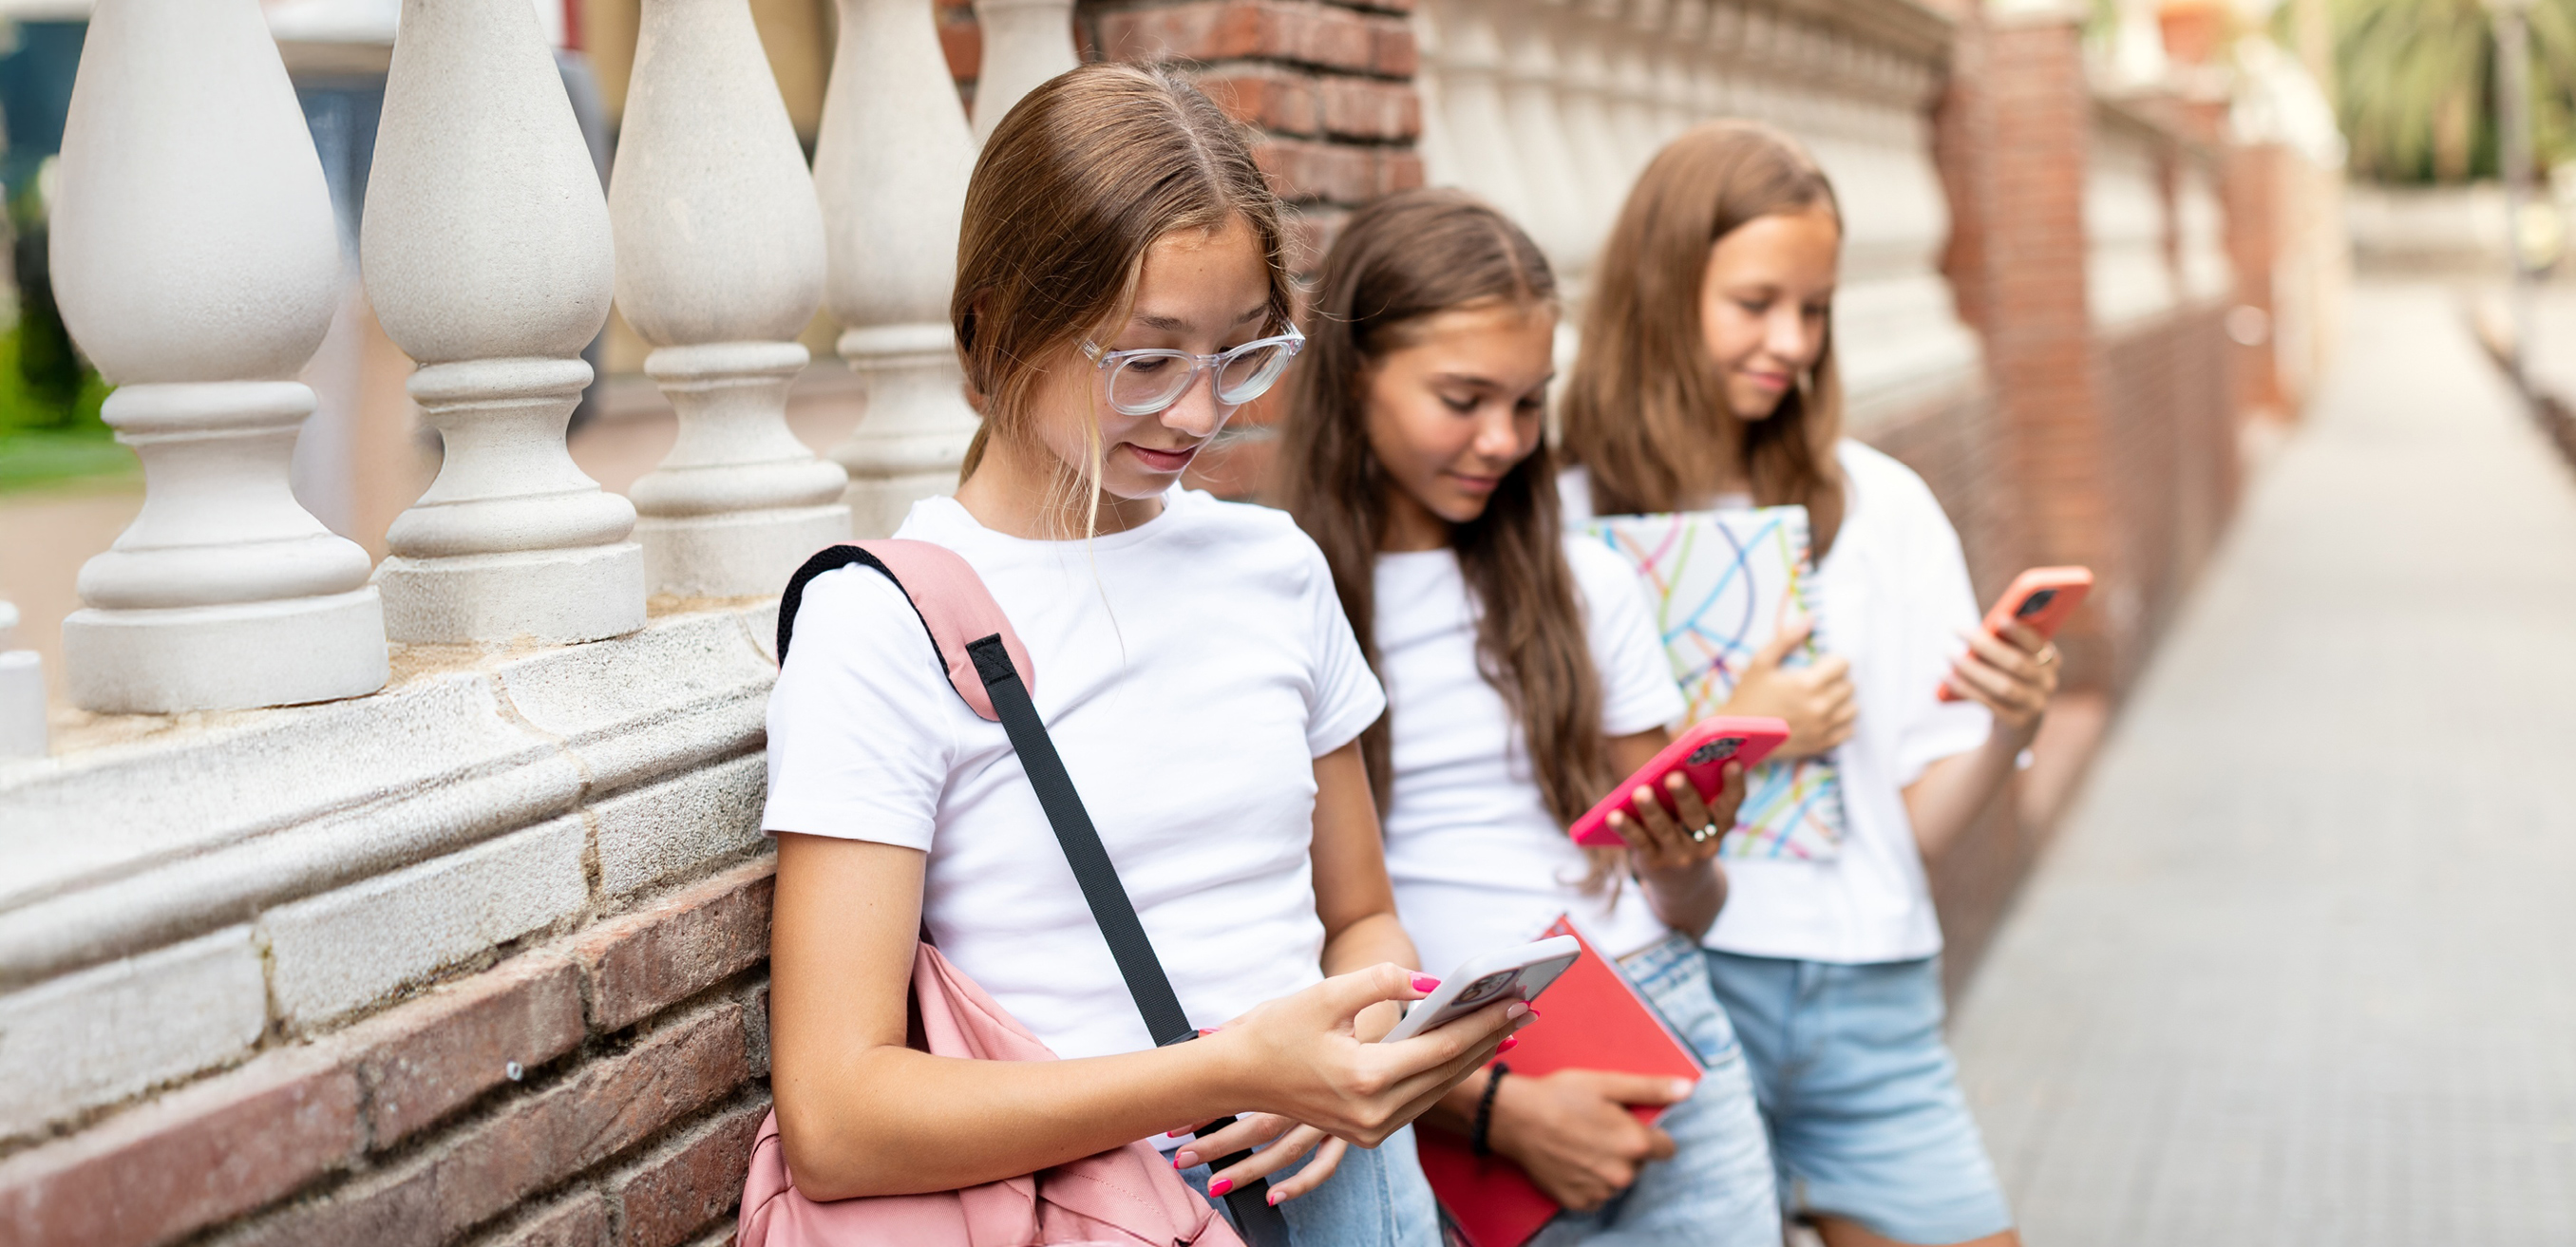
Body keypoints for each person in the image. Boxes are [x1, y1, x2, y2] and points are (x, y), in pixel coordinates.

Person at [759, 64, 1522, 1247]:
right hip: (1100, 1202)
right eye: (1146, 359)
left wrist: (1365, 1042)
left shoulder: (1277, 567)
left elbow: (1360, 913)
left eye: (1240, 353)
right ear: (995, 324)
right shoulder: (884, 624)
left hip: (1355, 1185)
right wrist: (1233, 1071)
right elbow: (837, 1114)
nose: (1199, 412)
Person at [1558, 122, 2062, 1247]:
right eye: (1755, 301)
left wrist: (2004, 724)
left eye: (1816, 308)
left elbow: (1914, 825)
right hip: (1665, 993)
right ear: (1662, 289)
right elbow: (1553, 817)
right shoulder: (1558, 517)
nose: (1790, 339)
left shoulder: (1883, 507)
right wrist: (1739, 730)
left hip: (1869, 999)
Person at [1279, 187, 1784, 1246]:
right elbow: (1288, 936)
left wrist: (1689, 854)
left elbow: (1685, 905)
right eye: (1463, 397)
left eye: (1529, 401)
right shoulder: (1282, 599)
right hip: (1432, 1078)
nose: (1503, 439)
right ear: (1353, 375)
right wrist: (1497, 1108)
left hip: (1648, 1026)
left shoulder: (1583, 585)